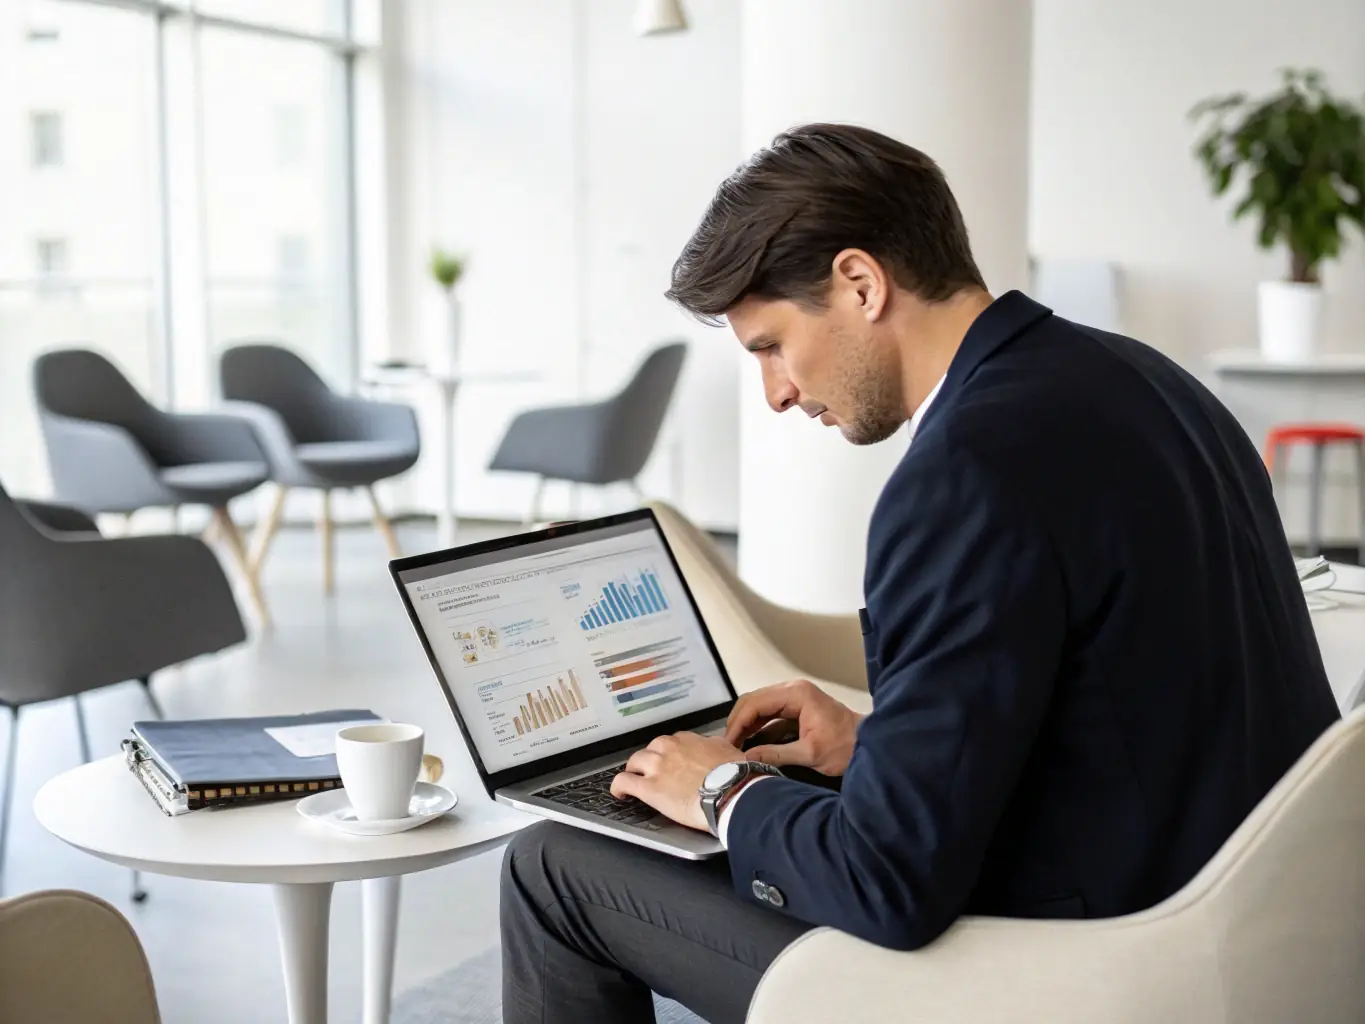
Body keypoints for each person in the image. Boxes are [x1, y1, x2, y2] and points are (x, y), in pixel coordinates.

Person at [499, 123, 1341, 1024]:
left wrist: (720, 790)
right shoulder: (1146, 381)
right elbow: (1122, 707)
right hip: (1270, 921)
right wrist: (873, 747)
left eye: (770, 346)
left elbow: (888, 885)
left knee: (552, 867)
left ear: (860, 283)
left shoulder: (964, 474)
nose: (776, 394)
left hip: (1102, 962)